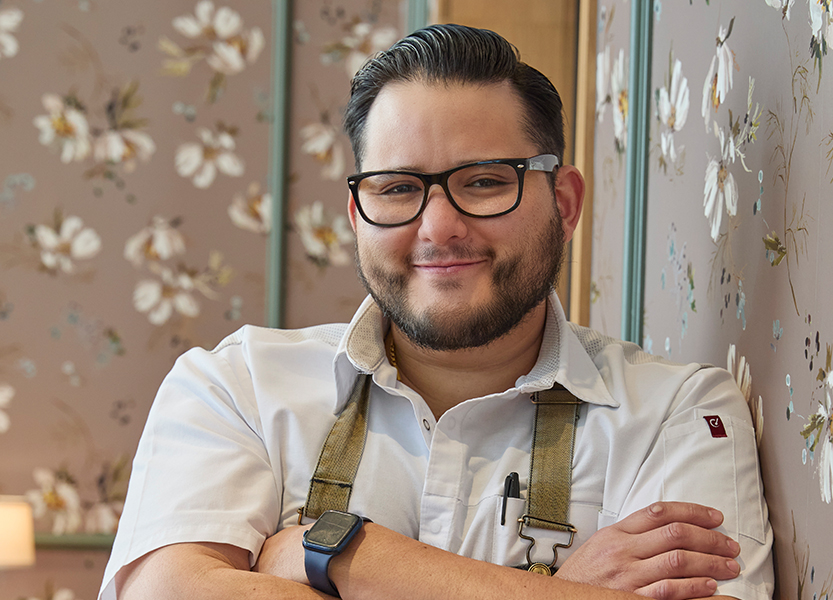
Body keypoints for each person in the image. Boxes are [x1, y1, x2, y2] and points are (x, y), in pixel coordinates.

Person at [100, 24, 773, 600]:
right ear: (357, 214)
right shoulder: (235, 385)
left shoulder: (679, 414)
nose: (438, 227)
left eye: (484, 182)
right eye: (397, 189)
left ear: (563, 204)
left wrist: (335, 553)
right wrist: (559, 590)